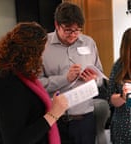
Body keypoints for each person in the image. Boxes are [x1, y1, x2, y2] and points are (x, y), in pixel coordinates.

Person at [38, 2, 110, 144]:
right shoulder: (42, 45)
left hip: (85, 118)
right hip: (56, 119)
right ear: (57, 25)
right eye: (68, 30)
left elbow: (100, 77)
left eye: (77, 30)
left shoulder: (89, 43)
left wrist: (94, 80)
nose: (73, 35)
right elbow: (37, 84)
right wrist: (65, 79)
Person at [0, 22, 68, 144]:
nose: (42, 58)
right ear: (30, 54)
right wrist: (53, 114)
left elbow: (27, 110)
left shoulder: (19, 73)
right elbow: (14, 140)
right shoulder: (8, 82)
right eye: (41, 53)